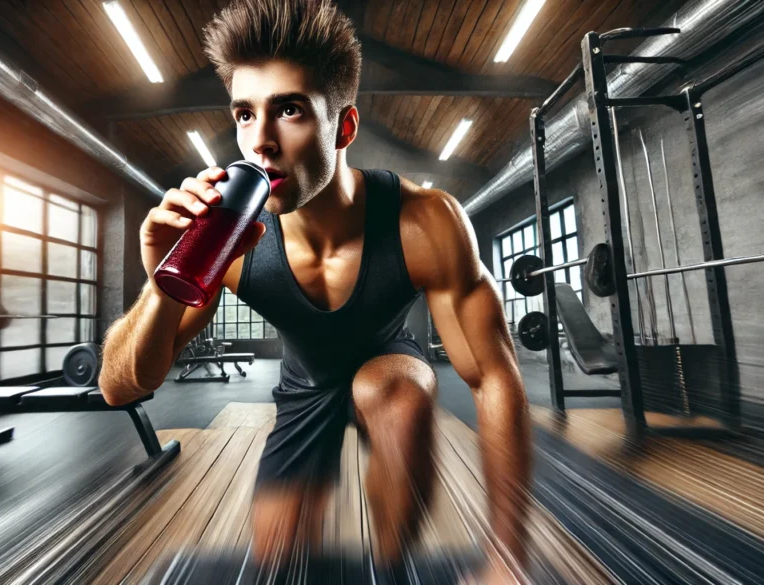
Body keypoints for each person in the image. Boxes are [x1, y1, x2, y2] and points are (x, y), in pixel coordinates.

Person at [99, 0, 531, 582]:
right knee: (282, 556)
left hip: (387, 365)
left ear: (343, 127)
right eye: (245, 115)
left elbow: (493, 376)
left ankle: (392, 567)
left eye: (290, 111)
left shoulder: (424, 222)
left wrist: (506, 558)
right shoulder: (228, 241)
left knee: (399, 400)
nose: (260, 143)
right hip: (303, 387)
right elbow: (120, 385)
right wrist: (163, 284)